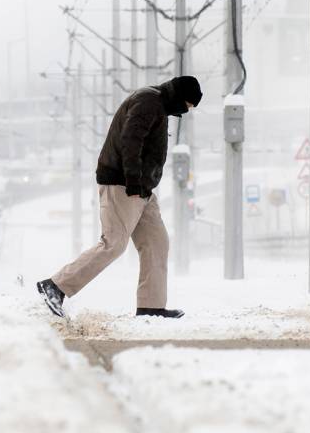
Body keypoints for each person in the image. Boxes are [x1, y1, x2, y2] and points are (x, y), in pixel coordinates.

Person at [37, 76, 203, 319]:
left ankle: (151, 308)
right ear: (181, 97)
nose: (187, 111)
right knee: (113, 244)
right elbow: (130, 141)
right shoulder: (148, 101)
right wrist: (134, 181)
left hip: (143, 189)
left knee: (157, 243)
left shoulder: (157, 104)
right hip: (123, 184)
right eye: (189, 105)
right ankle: (56, 286)